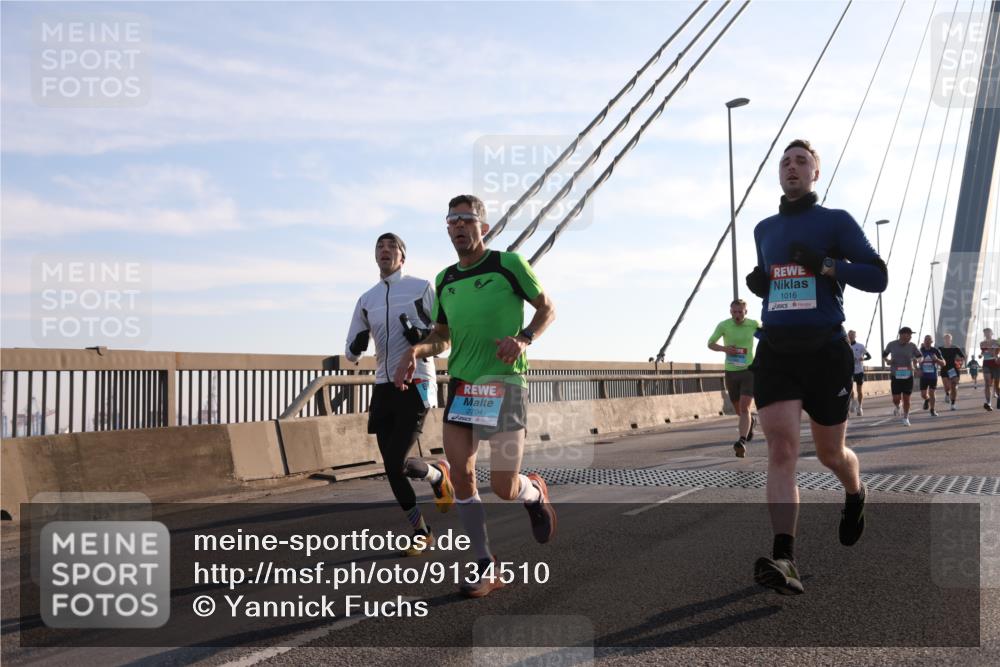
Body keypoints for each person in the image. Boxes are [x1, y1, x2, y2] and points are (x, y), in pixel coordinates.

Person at [395, 194, 557, 598]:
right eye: (452, 221)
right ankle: (485, 564)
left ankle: (533, 492)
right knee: (462, 474)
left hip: (505, 383)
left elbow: (547, 309)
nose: (459, 227)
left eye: (466, 219)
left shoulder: (509, 265)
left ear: (483, 227)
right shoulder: (445, 279)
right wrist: (416, 350)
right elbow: (443, 336)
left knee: (503, 486)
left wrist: (524, 339)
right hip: (465, 386)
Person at [744, 139, 887, 595]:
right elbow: (776, 286)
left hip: (825, 352)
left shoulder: (835, 221)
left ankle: (855, 491)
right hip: (777, 350)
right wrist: (762, 284)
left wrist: (826, 264)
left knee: (830, 454)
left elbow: (877, 276)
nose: (792, 166)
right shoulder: (763, 230)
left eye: (801, 161)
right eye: (785, 161)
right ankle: (785, 558)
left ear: (815, 173)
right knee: (781, 450)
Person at [345, 233, 456, 557]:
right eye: (379, 246)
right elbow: (350, 351)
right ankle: (422, 529)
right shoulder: (367, 299)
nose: (385, 250)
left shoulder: (421, 288)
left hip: (417, 381)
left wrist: (421, 336)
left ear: (402, 257)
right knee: (392, 467)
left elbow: (445, 337)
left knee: (396, 460)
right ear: (374, 256)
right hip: (383, 385)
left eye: (392, 246)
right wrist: (356, 345)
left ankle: (438, 476)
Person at [708, 299, 760, 457]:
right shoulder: (724, 325)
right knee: (739, 410)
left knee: (744, 408)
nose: (737, 315)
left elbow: (767, 335)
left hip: (748, 371)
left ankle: (741, 441)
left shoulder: (753, 324)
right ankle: (751, 422)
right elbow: (710, 343)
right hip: (731, 372)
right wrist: (725, 349)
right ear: (730, 312)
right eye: (734, 312)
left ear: (746, 312)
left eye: (740, 312)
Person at [882, 327, 921, 426]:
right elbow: (884, 355)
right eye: (909, 334)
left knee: (907, 398)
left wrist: (917, 361)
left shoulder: (912, 346)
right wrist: (888, 361)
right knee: (896, 398)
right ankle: (897, 405)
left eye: (911, 335)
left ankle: (906, 417)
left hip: (908, 375)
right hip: (896, 375)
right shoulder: (892, 344)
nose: (910, 337)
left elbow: (920, 356)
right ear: (902, 335)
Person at [917, 334, 945, 417]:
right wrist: (917, 369)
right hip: (923, 376)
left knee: (932, 392)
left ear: (932, 341)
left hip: (933, 376)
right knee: (923, 394)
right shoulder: (920, 351)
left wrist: (936, 359)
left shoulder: (935, 351)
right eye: (926, 339)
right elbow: (914, 361)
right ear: (924, 341)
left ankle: (932, 410)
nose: (927, 341)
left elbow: (944, 363)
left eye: (929, 339)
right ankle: (927, 399)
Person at [938, 333, 966, 410]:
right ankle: (947, 394)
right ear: (944, 340)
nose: (947, 340)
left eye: (948, 338)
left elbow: (963, 357)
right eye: (946, 338)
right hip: (944, 368)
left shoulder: (955, 348)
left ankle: (953, 404)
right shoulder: (940, 349)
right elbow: (936, 358)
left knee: (953, 386)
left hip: (953, 369)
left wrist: (960, 364)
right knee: (947, 387)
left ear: (951, 339)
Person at [847, 329, 871, 416]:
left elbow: (869, 356)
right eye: (849, 335)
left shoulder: (860, 346)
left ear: (855, 336)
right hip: (849, 371)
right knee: (850, 389)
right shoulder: (845, 346)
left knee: (859, 390)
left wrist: (863, 358)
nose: (851, 337)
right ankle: (853, 401)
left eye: (852, 335)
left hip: (859, 371)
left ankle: (860, 407)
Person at [979, 328, 1000, 411]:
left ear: (992, 333)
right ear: (984, 334)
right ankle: (988, 403)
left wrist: (993, 352)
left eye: (988, 332)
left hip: (996, 364)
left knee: (997, 385)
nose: (987, 334)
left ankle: (998, 398)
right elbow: (983, 352)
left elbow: (996, 352)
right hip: (986, 364)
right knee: (987, 383)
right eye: (985, 333)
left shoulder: (996, 342)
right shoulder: (982, 343)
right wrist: (981, 355)